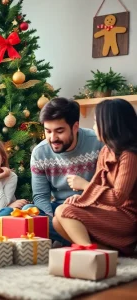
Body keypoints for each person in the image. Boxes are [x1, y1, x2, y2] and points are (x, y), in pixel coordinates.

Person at [54, 99, 137, 255]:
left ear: (109, 124)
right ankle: (107, 253)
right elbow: (97, 185)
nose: (93, 127)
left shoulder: (129, 156)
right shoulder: (106, 151)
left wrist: (84, 185)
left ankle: (89, 253)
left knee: (65, 211)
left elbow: (117, 198)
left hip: (125, 218)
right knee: (58, 219)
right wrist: (80, 200)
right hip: (107, 211)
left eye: (95, 122)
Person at [23, 97, 103, 245]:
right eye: (48, 131)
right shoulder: (40, 153)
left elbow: (107, 189)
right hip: (58, 211)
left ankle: (67, 238)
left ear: (75, 127)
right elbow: (40, 196)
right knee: (28, 210)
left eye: (59, 131)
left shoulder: (97, 143)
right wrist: (54, 220)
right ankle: (72, 237)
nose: (53, 138)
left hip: (90, 209)